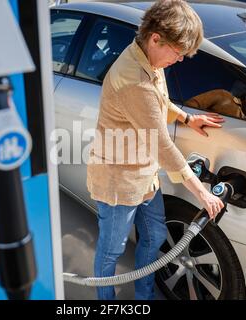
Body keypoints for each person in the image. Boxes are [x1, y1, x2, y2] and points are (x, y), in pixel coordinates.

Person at [86, 0, 225, 300]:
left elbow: (158, 103)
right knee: (111, 252)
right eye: (177, 53)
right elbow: (161, 142)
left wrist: (188, 118)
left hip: (145, 176)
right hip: (119, 181)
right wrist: (201, 192)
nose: (178, 60)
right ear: (155, 38)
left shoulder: (149, 58)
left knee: (155, 236)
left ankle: (144, 297)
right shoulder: (134, 79)